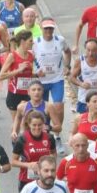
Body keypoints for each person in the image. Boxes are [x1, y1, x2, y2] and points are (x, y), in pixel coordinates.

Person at [32, 18, 71, 146]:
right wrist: (35, 72)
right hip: (41, 82)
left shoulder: (60, 40)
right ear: (41, 29)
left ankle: (57, 135)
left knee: (58, 107)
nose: (48, 31)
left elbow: (67, 51)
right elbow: (28, 59)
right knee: (42, 111)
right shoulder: (35, 42)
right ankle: (44, 135)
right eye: (46, 28)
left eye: (50, 28)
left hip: (56, 79)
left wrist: (67, 66)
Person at [10, 110, 56, 191]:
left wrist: (48, 164)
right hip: (27, 180)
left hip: (45, 179)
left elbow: (54, 154)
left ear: (43, 124)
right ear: (29, 124)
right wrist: (28, 165)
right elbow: (13, 162)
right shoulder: (22, 139)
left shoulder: (49, 138)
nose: (37, 128)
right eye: (34, 125)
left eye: (40, 125)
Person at [69, 38, 97, 115]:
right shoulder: (80, 61)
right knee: (84, 121)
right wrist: (81, 84)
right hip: (84, 97)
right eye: (88, 50)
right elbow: (71, 78)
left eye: (93, 50)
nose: (90, 53)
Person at [0, 29, 34, 126]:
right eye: (30, 41)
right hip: (15, 94)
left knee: (27, 123)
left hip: (28, 93)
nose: (33, 42)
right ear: (23, 42)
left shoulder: (31, 55)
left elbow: (34, 75)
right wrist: (18, 70)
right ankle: (15, 141)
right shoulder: (12, 56)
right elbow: (1, 76)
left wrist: (35, 71)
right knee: (17, 124)